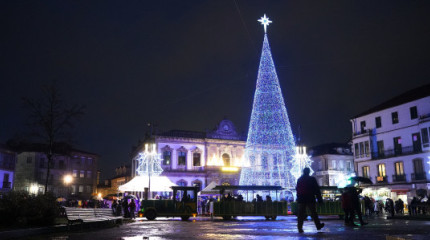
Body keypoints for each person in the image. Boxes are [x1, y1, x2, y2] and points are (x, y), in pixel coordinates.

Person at [296, 167, 325, 233]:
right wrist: (319, 199)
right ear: (309, 172)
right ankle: (318, 225)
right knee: (313, 213)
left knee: (301, 214)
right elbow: (317, 190)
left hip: (301, 199)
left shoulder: (299, 179)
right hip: (310, 198)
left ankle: (299, 227)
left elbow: (297, 189)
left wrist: (298, 198)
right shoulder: (312, 179)